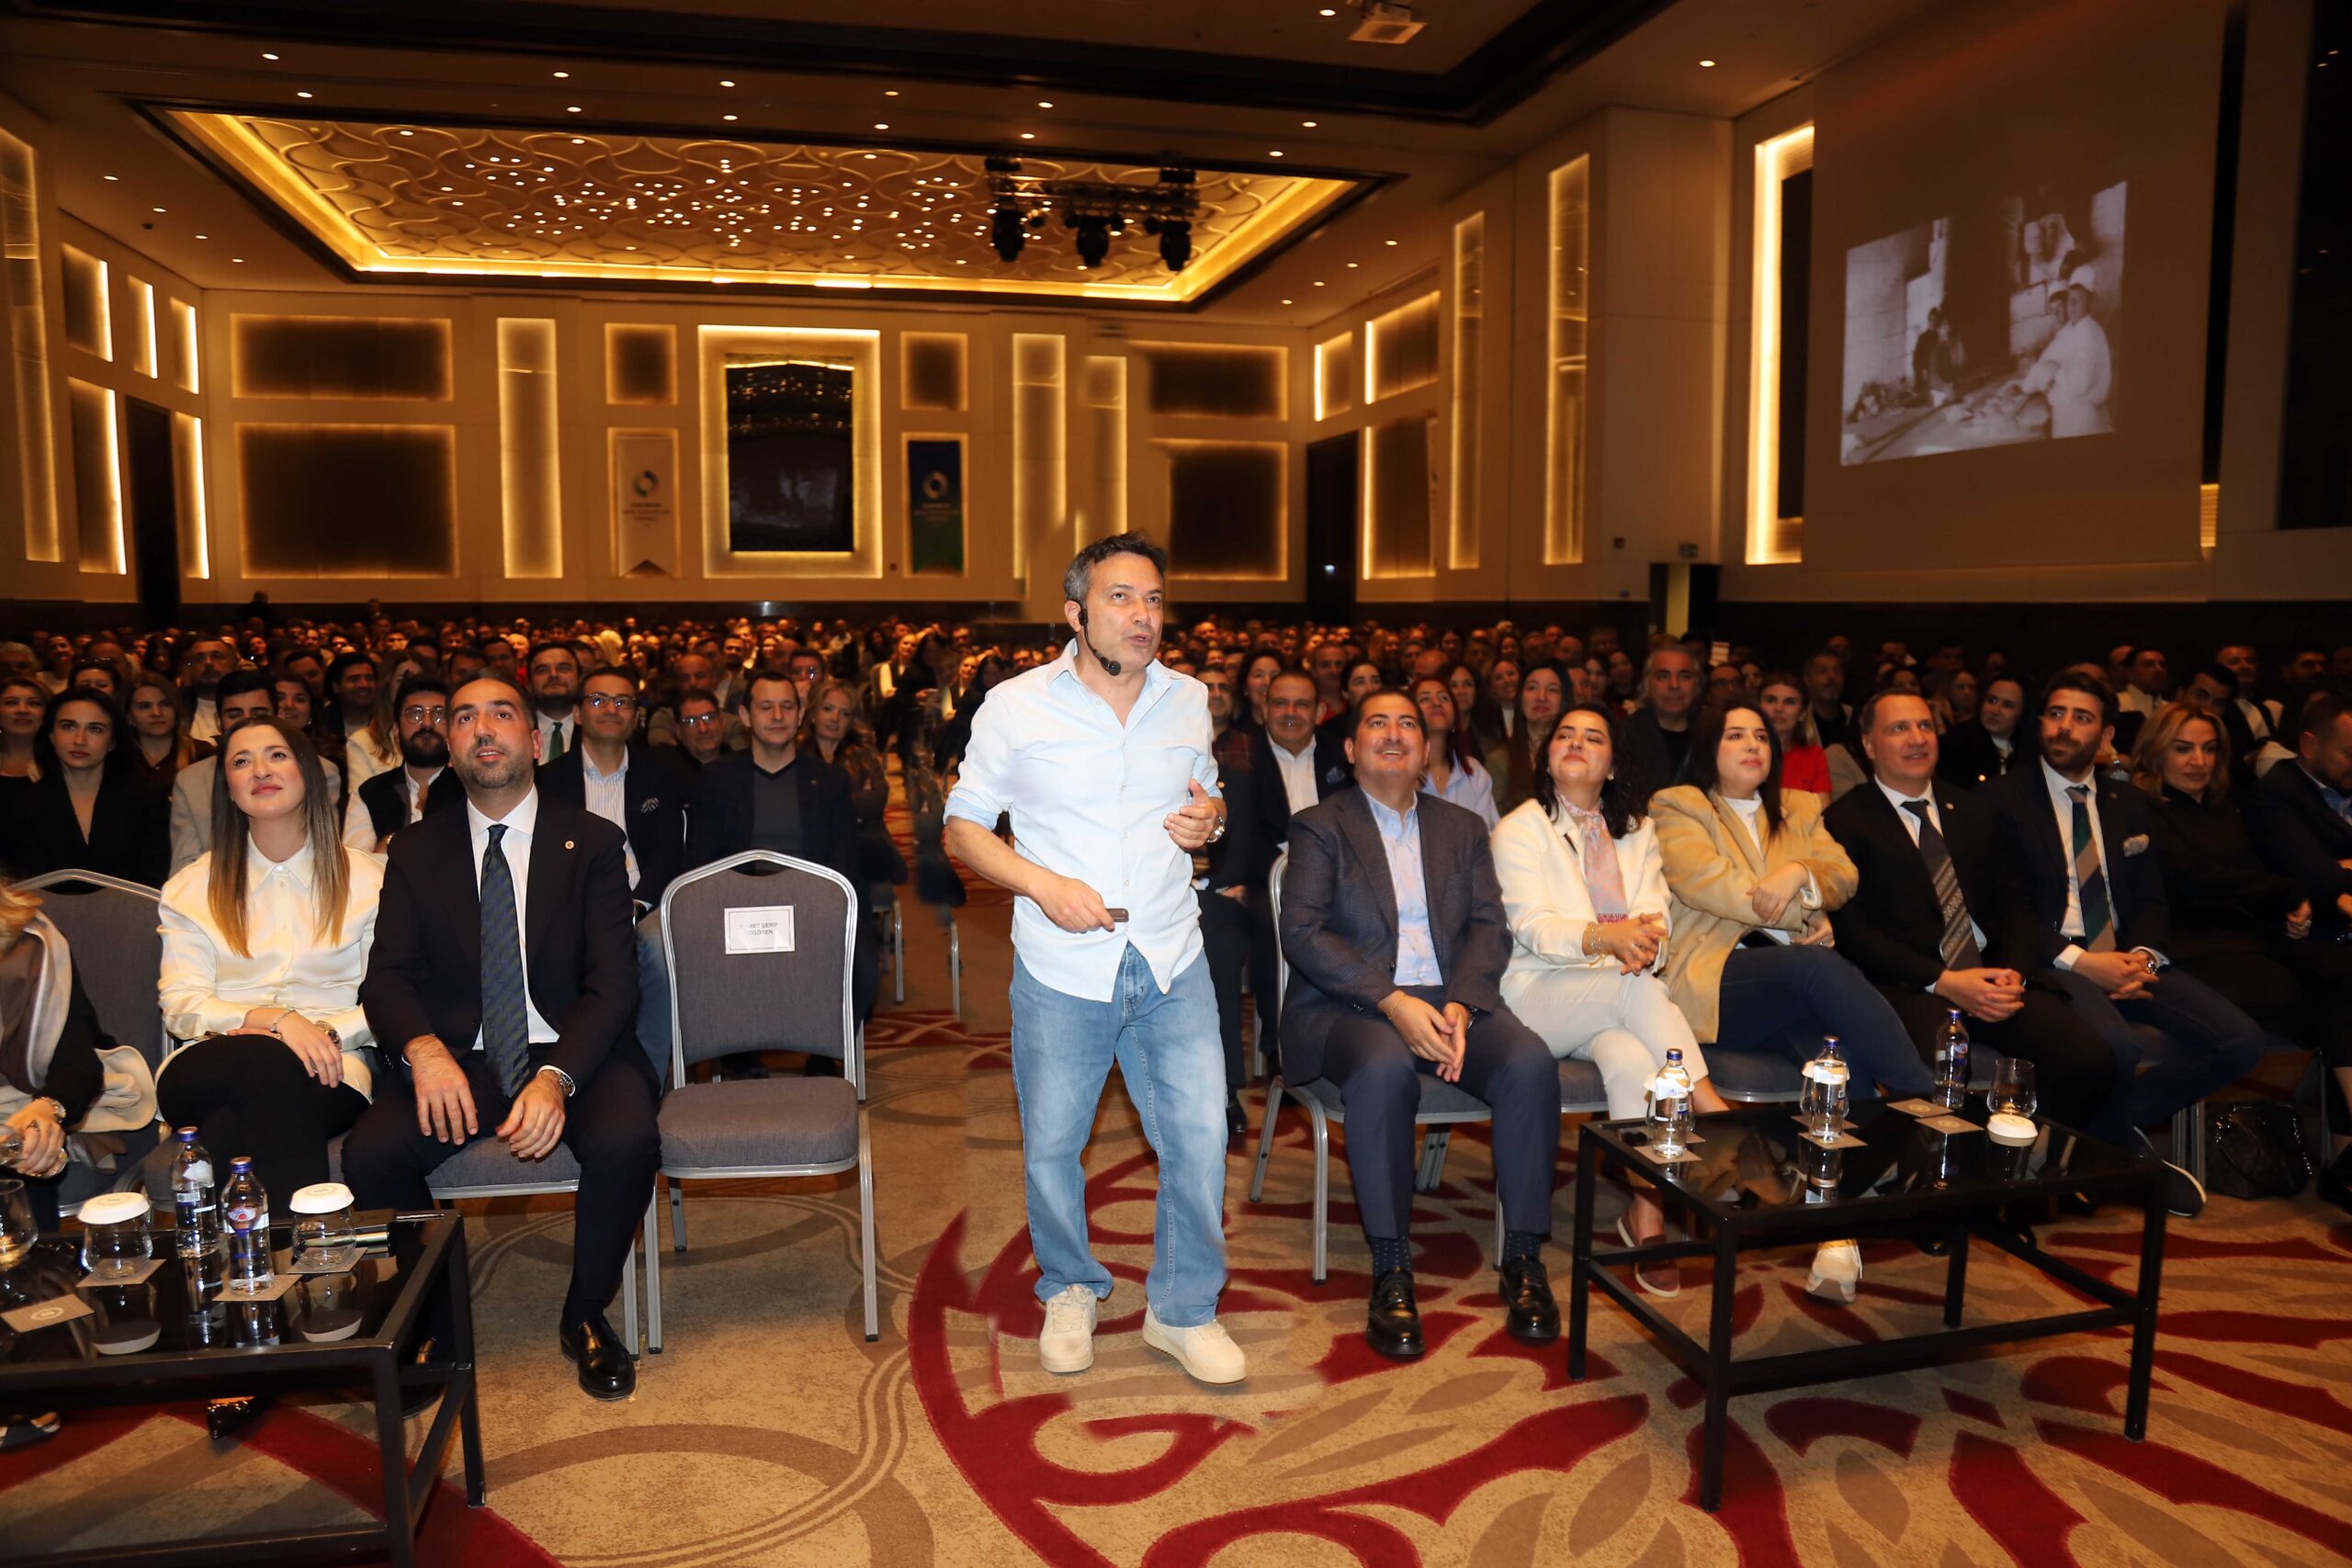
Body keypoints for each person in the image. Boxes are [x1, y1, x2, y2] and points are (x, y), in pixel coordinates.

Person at [942, 533, 1246, 1387]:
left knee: (1199, 1136)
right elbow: (963, 827)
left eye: (1153, 599)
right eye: (1121, 597)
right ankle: (1070, 1285)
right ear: (1075, 613)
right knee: (1054, 1144)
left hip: (1170, 952)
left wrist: (1210, 820)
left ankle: (1182, 1309)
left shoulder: (1188, 699)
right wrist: (1041, 884)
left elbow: (1207, 797)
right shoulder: (1016, 705)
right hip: (1063, 964)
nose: (1143, 615)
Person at [346, 674, 660, 1402]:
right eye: (464, 717)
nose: (482, 728)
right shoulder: (416, 850)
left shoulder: (593, 842)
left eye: (500, 713)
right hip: (462, 1055)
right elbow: (385, 978)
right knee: (373, 1153)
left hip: (575, 1048)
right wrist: (424, 1050)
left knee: (627, 1138)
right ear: (450, 744)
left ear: (534, 739)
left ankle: (585, 1313)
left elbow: (614, 985)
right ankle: (436, 1320)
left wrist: (557, 1078)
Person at [1283, 690, 1560, 1353]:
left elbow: (1489, 927)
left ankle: (1523, 1256)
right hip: (1351, 1004)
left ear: (1426, 748)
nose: (1393, 733)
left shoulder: (1461, 828)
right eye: (1376, 722)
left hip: (1450, 999)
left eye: (1407, 723)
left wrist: (1462, 1001)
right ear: (1350, 749)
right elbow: (1304, 933)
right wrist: (1392, 1000)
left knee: (1529, 1063)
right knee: (1383, 1072)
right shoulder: (1320, 825)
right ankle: (1392, 1268)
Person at [1987, 674, 2265, 1214]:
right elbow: (2004, 912)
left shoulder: (2128, 802)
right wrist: (2083, 962)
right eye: (2056, 713)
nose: (2065, 727)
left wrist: (2143, 958)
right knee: (2116, 1047)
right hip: (2056, 959)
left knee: (2240, 1041)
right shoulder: (2001, 800)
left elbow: (2151, 899)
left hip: (2128, 956)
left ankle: (2100, 1138)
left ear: (2107, 733)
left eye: (2082, 717)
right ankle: (2125, 1156)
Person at [1824, 691, 2119, 1138]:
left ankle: (2026, 1159)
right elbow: (1853, 932)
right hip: (1914, 986)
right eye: (1899, 729)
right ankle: (1953, 1170)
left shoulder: (1975, 810)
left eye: (1925, 726)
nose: (1917, 739)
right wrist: (1943, 981)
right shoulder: (1843, 822)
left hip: (1995, 977)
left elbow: (2017, 905)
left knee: (2089, 1060)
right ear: (1869, 745)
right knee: (1938, 1076)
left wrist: (2013, 973)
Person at [1653, 705, 1937, 1111]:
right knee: (1813, 965)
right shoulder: (1678, 805)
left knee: (1841, 1065)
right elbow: (1713, 886)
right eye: (1735, 735)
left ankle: (1864, 1151)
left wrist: (1799, 871)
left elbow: (1844, 874)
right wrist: (1807, 911)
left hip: (1785, 990)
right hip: (1713, 981)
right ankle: (1923, 1094)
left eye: (1761, 737)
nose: (1752, 745)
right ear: (1707, 749)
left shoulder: (1799, 807)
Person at [156, 718, 380, 1208]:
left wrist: (325, 1034)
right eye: (242, 761)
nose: (260, 770)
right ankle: (310, 1235)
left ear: (308, 773)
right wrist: (275, 1021)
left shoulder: (369, 880)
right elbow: (182, 1004)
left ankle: (249, 1246)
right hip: (209, 1060)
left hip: (330, 1067)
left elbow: (390, 998)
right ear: (228, 788)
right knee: (263, 1059)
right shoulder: (191, 887)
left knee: (228, 1130)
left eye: (277, 755)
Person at [2134, 704, 2350, 1118]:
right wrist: (2290, 893)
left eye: (2209, 748)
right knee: (2320, 999)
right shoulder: (2143, 808)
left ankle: (2344, 1144)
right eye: (2183, 749)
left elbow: (2255, 878)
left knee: (2343, 977)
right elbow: (2196, 877)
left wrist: (2294, 911)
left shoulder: (2226, 809)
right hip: (2193, 948)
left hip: (2253, 940)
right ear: (2156, 752)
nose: (2199, 761)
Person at [2240, 693, 2352, 1207]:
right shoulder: (2275, 795)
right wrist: (2335, 876)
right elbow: (2317, 877)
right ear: (2308, 745)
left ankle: (2346, 1161)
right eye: (2348, 752)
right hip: (2298, 939)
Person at [0, 878, 119, 1230]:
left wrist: (46, 1109)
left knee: (26, 1168)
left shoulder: (32, 946)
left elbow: (77, 1063)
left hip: (13, 1118)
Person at [538, 667, 689, 912]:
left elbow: (668, 855)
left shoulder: (660, 777)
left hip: (644, 909)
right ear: (577, 714)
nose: (611, 710)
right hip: (570, 911)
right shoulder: (547, 781)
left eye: (622, 702)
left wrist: (638, 905)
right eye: (598, 700)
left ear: (635, 717)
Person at [0, 688, 168, 887]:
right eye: (68, 727)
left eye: (95, 729)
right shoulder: (20, 806)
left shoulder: (148, 799)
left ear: (113, 742)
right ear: (52, 736)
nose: (80, 740)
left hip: (132, 906)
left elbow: (154, 880)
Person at [171, 672, 304, 876]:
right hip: (217, 887)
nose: (248, 722)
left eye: (259, 714)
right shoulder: (191, 781)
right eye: (235, 715)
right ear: (218, 721)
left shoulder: (319, 771)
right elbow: (184, 869)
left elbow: (323, 850)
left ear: (279, 715)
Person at [346, 675, 462, 852]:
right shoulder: (370, 793)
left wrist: (393, 843)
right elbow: (355, 861)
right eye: (415, 714)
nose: (427, 724)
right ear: (396, 731)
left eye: (439, 715)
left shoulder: (471, 789)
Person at [2021, 273, 2112, 439]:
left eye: (2079, 298)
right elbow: (2039, 371)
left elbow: (2079, 382)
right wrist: (2040, 376)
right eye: (2071, 299)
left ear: (2090, 302)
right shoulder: (2070, 331)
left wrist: (2053, 369)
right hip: (2066, 417)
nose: (2073, 305)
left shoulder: (2090, 330)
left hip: (2081, 420)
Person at [1408, 671, 1498, 829]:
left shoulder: (1474, 772)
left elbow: (1487, 833)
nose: (1436, 703)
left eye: (1444, 698)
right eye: (1425, 699)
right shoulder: (1400, 772)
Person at [1491, 660, 1566, 816]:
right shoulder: (1500, 760)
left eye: (1552, 690)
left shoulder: (1575, 755)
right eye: (1532, 688)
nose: (1542, 697)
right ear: (1520, 698)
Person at [1623, 647, 1701, 792]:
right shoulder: (1624, 736)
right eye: (1663, 677)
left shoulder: (1711, 735)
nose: (1674, 685)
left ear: (1696, 685)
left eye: (1684, 676)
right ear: (1646, 685)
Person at [320, 652, 394, 793]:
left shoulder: (389, 724)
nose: (363, 685)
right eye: (354, 679)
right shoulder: (321, 725)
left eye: (369, 678)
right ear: (336, 687)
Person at [1939, 673, 2029, 788]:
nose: (1995, 711)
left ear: (2023, 713)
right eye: (1992, 700)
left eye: (2007, 705)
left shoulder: (2032, 752)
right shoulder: (1955, 743)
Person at [123, 675, 210, 791]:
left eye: (165, 704)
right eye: (144, 707)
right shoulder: (118, 759)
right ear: (129, 717)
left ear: (176, 710)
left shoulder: (202, 754)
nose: (157, 713)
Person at [1758, 672, 1831, 796]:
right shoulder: (1744, 752)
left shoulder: (1814, 756)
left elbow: (1822, 806)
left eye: (1789, 702)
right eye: (1771, 700)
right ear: (1758, 707)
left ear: (1803, 713)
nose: (1779, 708)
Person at [526, 642, 583, 761]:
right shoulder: (519, 731)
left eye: (563, 669)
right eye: (542, 670)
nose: (553, 675)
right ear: (529, 683)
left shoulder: (596, 729)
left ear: (579, 678)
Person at [178, 637, 236, 743]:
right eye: (200, 659)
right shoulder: (175, 704)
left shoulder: (249, 702)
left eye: (217, 656)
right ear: (190, 668)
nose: (208, 663)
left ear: (232, 665)